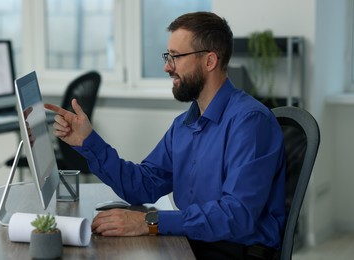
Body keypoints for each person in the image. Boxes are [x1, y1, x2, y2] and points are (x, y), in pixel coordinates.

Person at [45, 11, 286, 260]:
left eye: (176, 57)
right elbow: (143, 184)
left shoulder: (250, 122)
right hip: (195, 241)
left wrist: (148, 221)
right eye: (167, 56)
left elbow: (237, 216)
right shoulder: (183, 125)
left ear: (210, 61)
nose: (167, 67)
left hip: (236, 251)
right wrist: (87, 141)